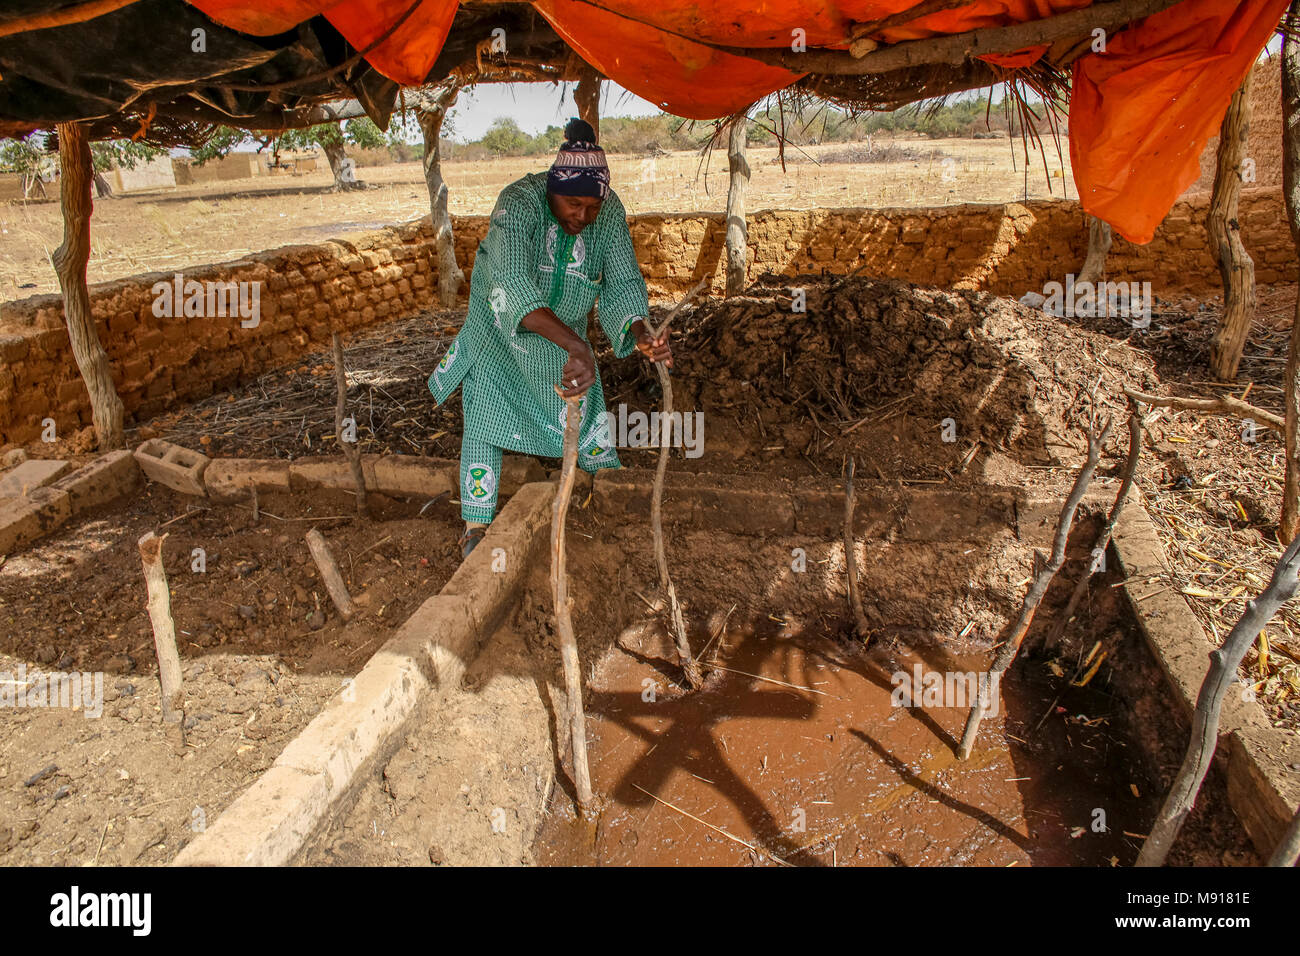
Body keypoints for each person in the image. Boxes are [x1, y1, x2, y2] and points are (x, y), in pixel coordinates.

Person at [428, 117, 672, 558]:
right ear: (552, 190)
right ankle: (475, 526)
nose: (583, 215)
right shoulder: (518, 204)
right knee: (485, 416)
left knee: (584, 416)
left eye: (591, 207)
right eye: (573, 204)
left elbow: (622, 282)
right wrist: (579, 347)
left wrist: (641, 332)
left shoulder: (608, 212)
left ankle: (602, 501)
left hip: (562, 338)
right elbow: (510, 283)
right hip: (498, 334)